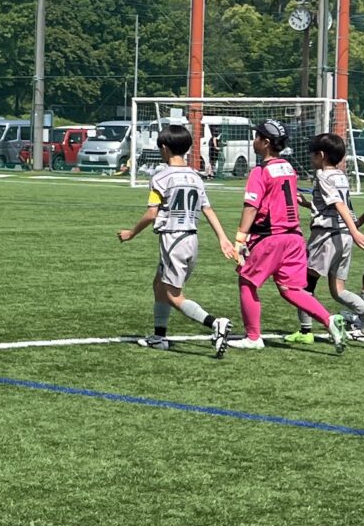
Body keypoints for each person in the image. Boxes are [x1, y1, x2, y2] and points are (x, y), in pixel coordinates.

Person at [211, 122, 348, 355]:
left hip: (270, 237)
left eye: (257, 137)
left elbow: (251, 206)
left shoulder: (260, 171)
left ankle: (253, 337)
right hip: (293, 237)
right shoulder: (288, 167)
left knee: (247, 282)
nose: (254, 141)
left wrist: (240, 238)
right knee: (290, 289)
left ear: (265, 142)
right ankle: (329, 320)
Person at [118, 121, 235, 347]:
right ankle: (159, 337)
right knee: (159, 284)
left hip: (173, 239)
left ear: (164, 148)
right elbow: (208, 209)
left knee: (173, 295)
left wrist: (130, 233)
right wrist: (223, 238)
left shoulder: (161, 178)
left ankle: (215, 323)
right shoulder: (196, 177)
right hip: (191, 238)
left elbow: (152, 213)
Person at [299, 131, 364, 342]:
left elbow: (338, 204)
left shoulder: (323, 176)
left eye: (312, 154)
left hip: (328, 235)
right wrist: (308, 204)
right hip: (343, 235)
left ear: (321, 155)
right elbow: (333, 205)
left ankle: (305, 332)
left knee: (304, 284)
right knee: (338, 290)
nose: (310, 158)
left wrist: (355, 231)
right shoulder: (341, 176)